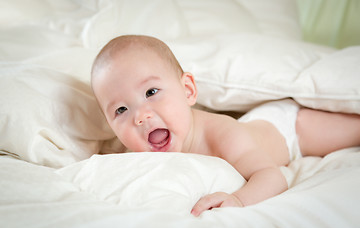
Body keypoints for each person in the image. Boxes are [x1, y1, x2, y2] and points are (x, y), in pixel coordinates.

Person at [91, 35, 360, 217]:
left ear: (187, 90)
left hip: (288, 129)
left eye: (151, 92)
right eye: (121, 110)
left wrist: (240, 200)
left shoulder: (220, 133)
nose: (140, 116)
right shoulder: (134, 155)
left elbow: (271, 176)